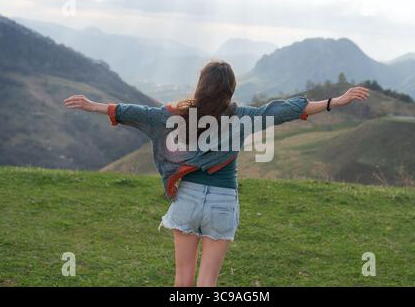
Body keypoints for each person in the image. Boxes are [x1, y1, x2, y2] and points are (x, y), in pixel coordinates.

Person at [64, 60, 370, 287]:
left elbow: (137, 113)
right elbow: (282, 110)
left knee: (182, 280)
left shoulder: (178, 116)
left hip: (187, 200)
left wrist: (94, 106)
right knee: (206, 283)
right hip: (223, 203)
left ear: (201, 85)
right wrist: (334, 101)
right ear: (231, 89)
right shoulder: (243, 118)